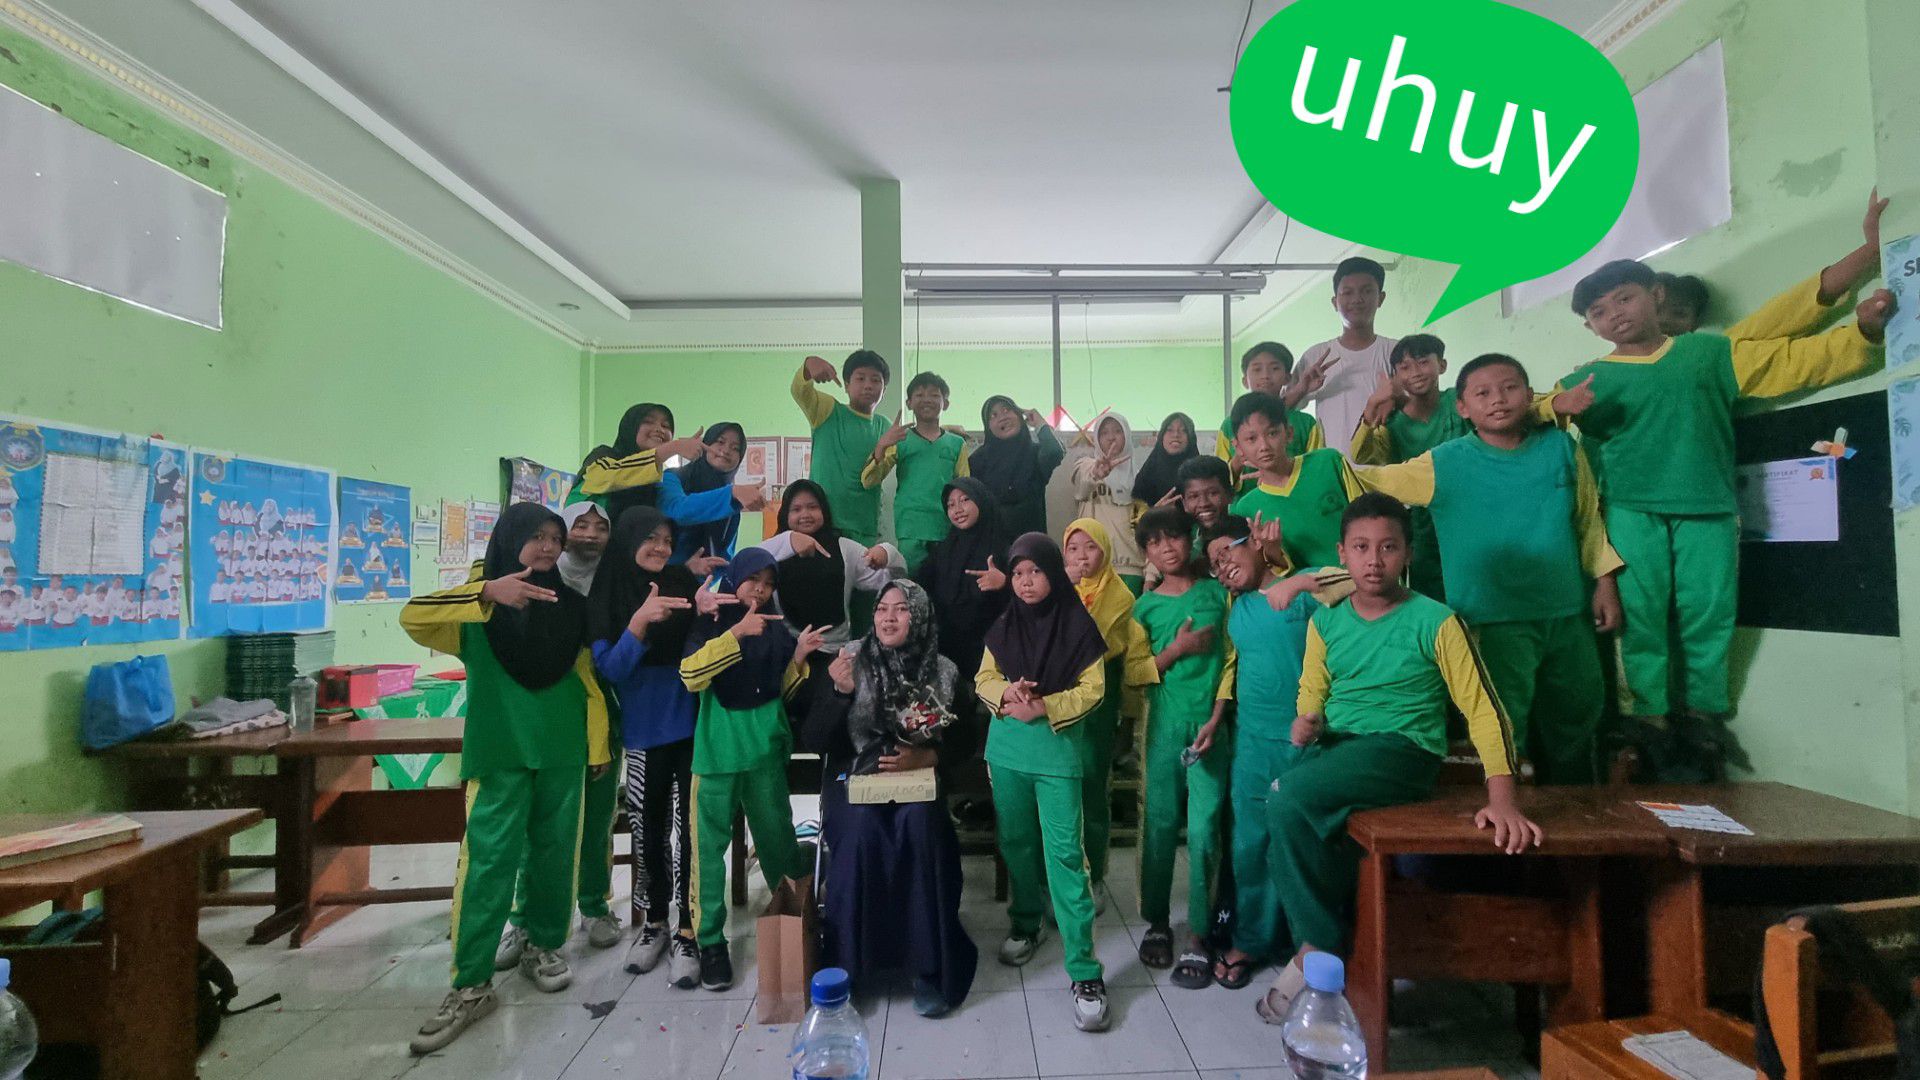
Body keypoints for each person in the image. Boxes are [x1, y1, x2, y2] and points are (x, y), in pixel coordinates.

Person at [1543, 244, 1894, 779]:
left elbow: (1790, 363)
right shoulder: (1585, 380)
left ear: (1656, 295)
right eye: (1599, 311)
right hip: (1629, 511)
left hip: (1708, 505)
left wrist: (1863, 332)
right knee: (1639, 617)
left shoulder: (1708, 354)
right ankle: (1647, 717)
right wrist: (1552, 406)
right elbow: (1525, 414)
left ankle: (1703, 715)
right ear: (1590, 326)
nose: (1615, 313)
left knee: (1710, 611)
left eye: (1625, 298)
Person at [1252, 493, 1540, 1023]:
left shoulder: (1436, 621)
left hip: (1402, 750)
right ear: (1342, 554)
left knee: (1288, 797)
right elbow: (1314, 684)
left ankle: (1318, 947)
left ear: (1407, 553)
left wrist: (1503, 800)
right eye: (1361, 548)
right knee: (1282, 806)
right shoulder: (1327, 619)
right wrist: (1308, 717)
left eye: (1388, 548)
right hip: (1338, 746)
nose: (1374, 561)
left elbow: (1484, 710)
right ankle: (1334, 946)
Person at [399, 503, 612, 1055]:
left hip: (562, 748)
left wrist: (596, 746)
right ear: (508, 538)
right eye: (536, 536)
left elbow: (586, 678)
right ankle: (470, 983)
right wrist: (487, 593)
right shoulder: (476, 606)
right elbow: (412, 617)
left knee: (556, 854)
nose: (547, 547)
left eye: (555, 538)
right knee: (488, 862)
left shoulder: (570, 603)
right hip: (500, 749)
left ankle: (544, 944)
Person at [1353, 354, 1624, 783]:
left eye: (1510, 388)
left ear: (1529, 395)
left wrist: (1604, 582)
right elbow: (1367, 481)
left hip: (1566, 611)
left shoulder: (1561, 448)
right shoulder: (1443, 462)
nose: (1498, 400)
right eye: (1482, 393)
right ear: (1462, 408)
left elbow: (1588, 521)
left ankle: (1576, 810)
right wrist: (1300, 468)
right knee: (1501, 724)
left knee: (1577, 717)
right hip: (1490, 620)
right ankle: (1505, 811)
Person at [799, 580, 982, 1018]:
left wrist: (929, 755)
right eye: (882, 608)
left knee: (919, 826)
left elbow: (964, 739)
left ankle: (929, 968)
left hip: (917, 776)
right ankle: (851, 966)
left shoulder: (943, 671)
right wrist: (839, 693)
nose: (889, 617)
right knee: (861, 832)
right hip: (851, 774)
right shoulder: (849, 661)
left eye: (901, 609)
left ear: (919, 617)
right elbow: (815, 739)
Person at [976, 533, 1112, 1032]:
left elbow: (1094, 690)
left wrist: (1046, 705)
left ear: (1053, 573)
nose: (1026, 582)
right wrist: (1007, 691)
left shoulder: (1078, 626)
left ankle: (1085, 970)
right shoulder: (1003, 626)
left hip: (1057, 753)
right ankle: (1026, 923)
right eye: (1018, 573)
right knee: (1016, 843)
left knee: (1066, 857)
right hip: (1007, 752)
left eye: (1035, 571)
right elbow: (983, 679)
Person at [679, 548, 819, 991]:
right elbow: (690, 675)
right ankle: (710, 942)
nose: (760, 589)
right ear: (734, 578)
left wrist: (798, 657)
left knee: (779, 842)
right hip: (717, 755)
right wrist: (736, 633)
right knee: (708, 854)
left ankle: (796, 924)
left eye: (768, 582)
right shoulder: (711, 621)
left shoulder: (775, 629)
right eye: (752, 579)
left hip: (764, 754)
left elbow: (779, 691)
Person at [494, 498, 622, 973]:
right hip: (537, 726)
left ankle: (594, 904)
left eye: (599, 527)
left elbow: (597, 673)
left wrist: (599, 735)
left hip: (597, 717)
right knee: (538, 829)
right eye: (579, 526)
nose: (589, 535)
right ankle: (523, 919)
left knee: (596, 820)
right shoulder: (519, 585)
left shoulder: (614, 584)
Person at [584, 507, 703, 989]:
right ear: (629, 539)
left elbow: (704, 644)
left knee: (691, 831)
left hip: (693, 726)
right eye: (650, 538)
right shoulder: (607, 592)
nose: (660, 547)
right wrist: (638, 624)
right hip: (643, 730)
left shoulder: (682, 583)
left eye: (667, 540)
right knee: (648, 831)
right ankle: (654, 922)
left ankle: (689, 928)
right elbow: (611, 669)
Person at [1203, 514, 1320, 992]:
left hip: (1306, 740)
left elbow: (1349, 583)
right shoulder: (1237, 608)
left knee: (1304, 845)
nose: (1223, 566)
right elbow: (1231, 668)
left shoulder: (1306, 590)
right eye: (1214, 564)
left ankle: (1308, 945)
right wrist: (1216, 718)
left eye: (1226, 552)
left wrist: (1285, 566)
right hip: (1251, 740)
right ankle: (1250, 939)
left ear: (1252, 540)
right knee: (1250, 844)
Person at [1130, 507, 1232, 989]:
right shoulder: (1144, 608)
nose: (1166, 548)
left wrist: (1218, 713)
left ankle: (1199, 931)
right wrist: (1176, 650)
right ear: (1146, 553)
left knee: (1206, 827)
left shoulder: (1218, 594)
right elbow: (1135, 672)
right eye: (1154, 542)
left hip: (1211, 723)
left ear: (1191, 538)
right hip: (1162, 725)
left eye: (1174, 537)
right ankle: (1156, 920)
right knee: (1159, 822)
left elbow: (1232, 657)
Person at [1062, 518, 1159, 908]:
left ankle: (1094, 874)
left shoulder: (1119, 596)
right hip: (1057, 699)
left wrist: (1062, 593)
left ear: (1105, 551)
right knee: (1058, 791)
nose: (1082, 557)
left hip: (1099, 701)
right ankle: (1059, 877)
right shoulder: (1054, 586)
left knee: (1091, 787)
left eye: (1091, 547)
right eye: (1073, 548)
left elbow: (1089, 641)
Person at [1351, 333, 1469, 600]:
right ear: (1395, 377)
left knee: (1473, 581)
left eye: (1423, 362)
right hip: (1421, 522)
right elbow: (1361, 454)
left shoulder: (1458, 402)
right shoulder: (1391, 423)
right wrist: (1373, 403)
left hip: (1468, 510)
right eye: (1404, 367)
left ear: (1442, 365)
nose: (1415, 372)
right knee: (1429, 591)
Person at [760, 479, 906, 658]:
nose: (805, 514)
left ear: (824, 510)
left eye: (813, 507)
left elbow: (896, 580)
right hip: (786, 650)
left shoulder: (845, 548)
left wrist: (887, 552)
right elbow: (743, 564)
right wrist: (788, 541)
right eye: (796, 509)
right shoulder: (775, 549)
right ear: (785, 515)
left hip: (835, 652)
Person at [1227, 392, 1366, 574]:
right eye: (1251, 439)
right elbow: (1272, 574)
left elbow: (1370, 517)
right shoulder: (1246, 509)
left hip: (1366, 576)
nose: (1264, 446)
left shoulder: (1328, 462)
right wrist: (1272, 551)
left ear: (1289, 433)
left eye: (1272, 433)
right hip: (1311, 590)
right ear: (1238, 447)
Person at [1293, 258, 1401, 460]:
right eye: (1348, 292)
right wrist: (1301, 388)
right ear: (1335, 302)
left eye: (1366, 291)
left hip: (1384, 470)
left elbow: (1419, 405)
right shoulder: (1315, 356)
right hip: (1332, 469)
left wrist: (1396, 398)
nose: (1357, 299)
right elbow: (1281, 412)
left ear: (1381, 298)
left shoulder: (1396, 352)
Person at [863, 372, 972, 571]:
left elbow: (966, 487)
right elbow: (869, 480)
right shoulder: (900, 440)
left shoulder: (957, 444)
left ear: (946, 403)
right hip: (911, 528)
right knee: (912, 584)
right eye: (919, 395)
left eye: (934, 395)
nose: (927, 399)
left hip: (947, 527)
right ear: (909, 403)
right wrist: (882, 446)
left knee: (946, 583)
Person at [912, 476, 1012, 677]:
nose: (957, 509)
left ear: (981, 501)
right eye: (950, 505)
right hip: (945, 651)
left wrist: (1005, 583)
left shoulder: (1006, 548)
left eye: (965, 500)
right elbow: (919, 585)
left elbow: (1028, 598)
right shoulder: (945, 549)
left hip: (991, 654)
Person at [792, 351, 893, 545]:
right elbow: (800, 392)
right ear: (847, 385)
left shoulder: (885, 426)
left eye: (875, 380)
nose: (868, 385)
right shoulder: (828, 410)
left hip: (865, 526)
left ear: (884, 389)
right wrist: (809, 365)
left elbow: (913, 441)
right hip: (824, 522)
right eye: (860, 378)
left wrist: (946, 430)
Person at [576, 403, 708, 523]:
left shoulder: (660, 479)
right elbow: (603, 479)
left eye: (666, 426)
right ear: (631, 427)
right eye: (648, 422)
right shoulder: (604, 455)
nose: (659, 429)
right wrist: (673, 447)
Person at [658, 421, 763, 570]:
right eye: (720, 442)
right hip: (657, 577)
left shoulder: (731, 502)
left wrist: (707, 574)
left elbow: (724, 558)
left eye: (735, 448)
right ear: (705, 444)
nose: (726, 450)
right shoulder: (671, 477)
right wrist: (731, 493)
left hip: (699, 583)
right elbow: (678, 511)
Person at [1067, 410, 1147, 592]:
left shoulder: (1140, 477)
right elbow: (1082, 485)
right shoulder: (1085, 465)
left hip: (1130, 566)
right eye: (1104, 433)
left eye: (1118, 431)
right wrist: (1096, 474)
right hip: (1091, 565)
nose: (1111, 437)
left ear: (1126, 435)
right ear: (1097, 438)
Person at [1216, 343, 1324, 475]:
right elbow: (1217, 474)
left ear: (1287, 378)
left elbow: (1318, 469)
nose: (1265, 375)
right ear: (1245, 380)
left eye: (1274, 368)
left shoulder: (1306, 423)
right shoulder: (1229, 425)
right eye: (1257, 369)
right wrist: (1239, 460)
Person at [970, 395, 1066, 538]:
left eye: (1007, 410)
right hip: (991, 543)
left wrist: (1040, 424)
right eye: (993, 415)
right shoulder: (978, 460)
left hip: (1031, 543)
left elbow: (1054, 452)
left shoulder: (1034, 453)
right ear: (988, 427)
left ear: (1019, 416)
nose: (1002, 418)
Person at [1131, 412, 1200, 507]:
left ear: (1191, 438)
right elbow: (1135, 512)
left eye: (1183, 430)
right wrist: (1156, 511)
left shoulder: (1201, 474)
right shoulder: (1148, 473)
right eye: (1169, 430)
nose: (1176, 434)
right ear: (1161, 437)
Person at [555, 500, 611, 595]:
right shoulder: (545, 569)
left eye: (602, 528)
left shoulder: (614, 575)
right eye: (581, 526)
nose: (592, 535)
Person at [1177, 455, 1235, 534]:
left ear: (1230, 494)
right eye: (1194, 496)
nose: (1203, 504)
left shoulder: (1248, 534)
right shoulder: (1185, 538)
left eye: (1212, 493)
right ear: (1184, 503)